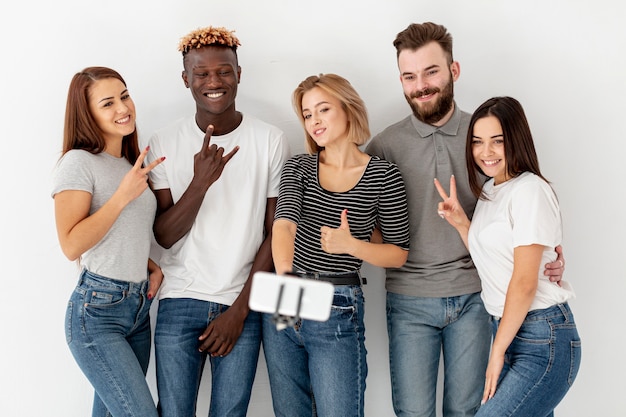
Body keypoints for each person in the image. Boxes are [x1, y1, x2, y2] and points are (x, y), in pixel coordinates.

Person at [365, 22, 566, 417]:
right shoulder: (384, 146)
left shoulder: (484, 137)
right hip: (409, 301)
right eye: (409, 76)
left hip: (477, 298)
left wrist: (551, 256)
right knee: (413, 413)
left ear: (453, 71)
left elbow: (524, 198)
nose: (421, 85)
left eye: (431, 72)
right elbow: (357, 209)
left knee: (468, 411)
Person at [144, 26, 290, 416]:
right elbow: (164, 235)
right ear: (185, 79)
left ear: (239, 74)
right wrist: (200, 183)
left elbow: (276, 234)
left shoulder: (270, 139)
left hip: (239, 303)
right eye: (202, 73)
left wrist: (240, 310)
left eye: (224, 71)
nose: (214, 81)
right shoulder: (163, 141)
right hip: (178, 302)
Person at [262, 73, 411, 417]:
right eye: (307, 114)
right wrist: (286, 277)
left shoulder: (383, 175)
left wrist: (351, 245)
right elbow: (283, 224)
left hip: (337, 303)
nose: (314, 121)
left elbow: (398, 253)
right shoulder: (298, 166)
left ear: (348, 109)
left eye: (323, 109)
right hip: (286, 294)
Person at [434, 96, 581, 416]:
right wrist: (463, 225)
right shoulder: (491, 191)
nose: (485, 152)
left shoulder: (530, 190)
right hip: (512, 332)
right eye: (477, 142)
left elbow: (525, 282)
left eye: (497, 141)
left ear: (516, 139)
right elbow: (495, 263)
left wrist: (496, 352)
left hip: (543, 338)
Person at [52, 66, 165, 417]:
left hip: (137, 310)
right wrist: (121, 197)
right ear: (88, 114)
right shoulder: (78, 162)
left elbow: (121, 233)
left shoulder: (131, 163)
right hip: (96, 311)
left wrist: (150, 266)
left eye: (125, 96)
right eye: (108, 103)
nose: (122, 108)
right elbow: (72, 244)